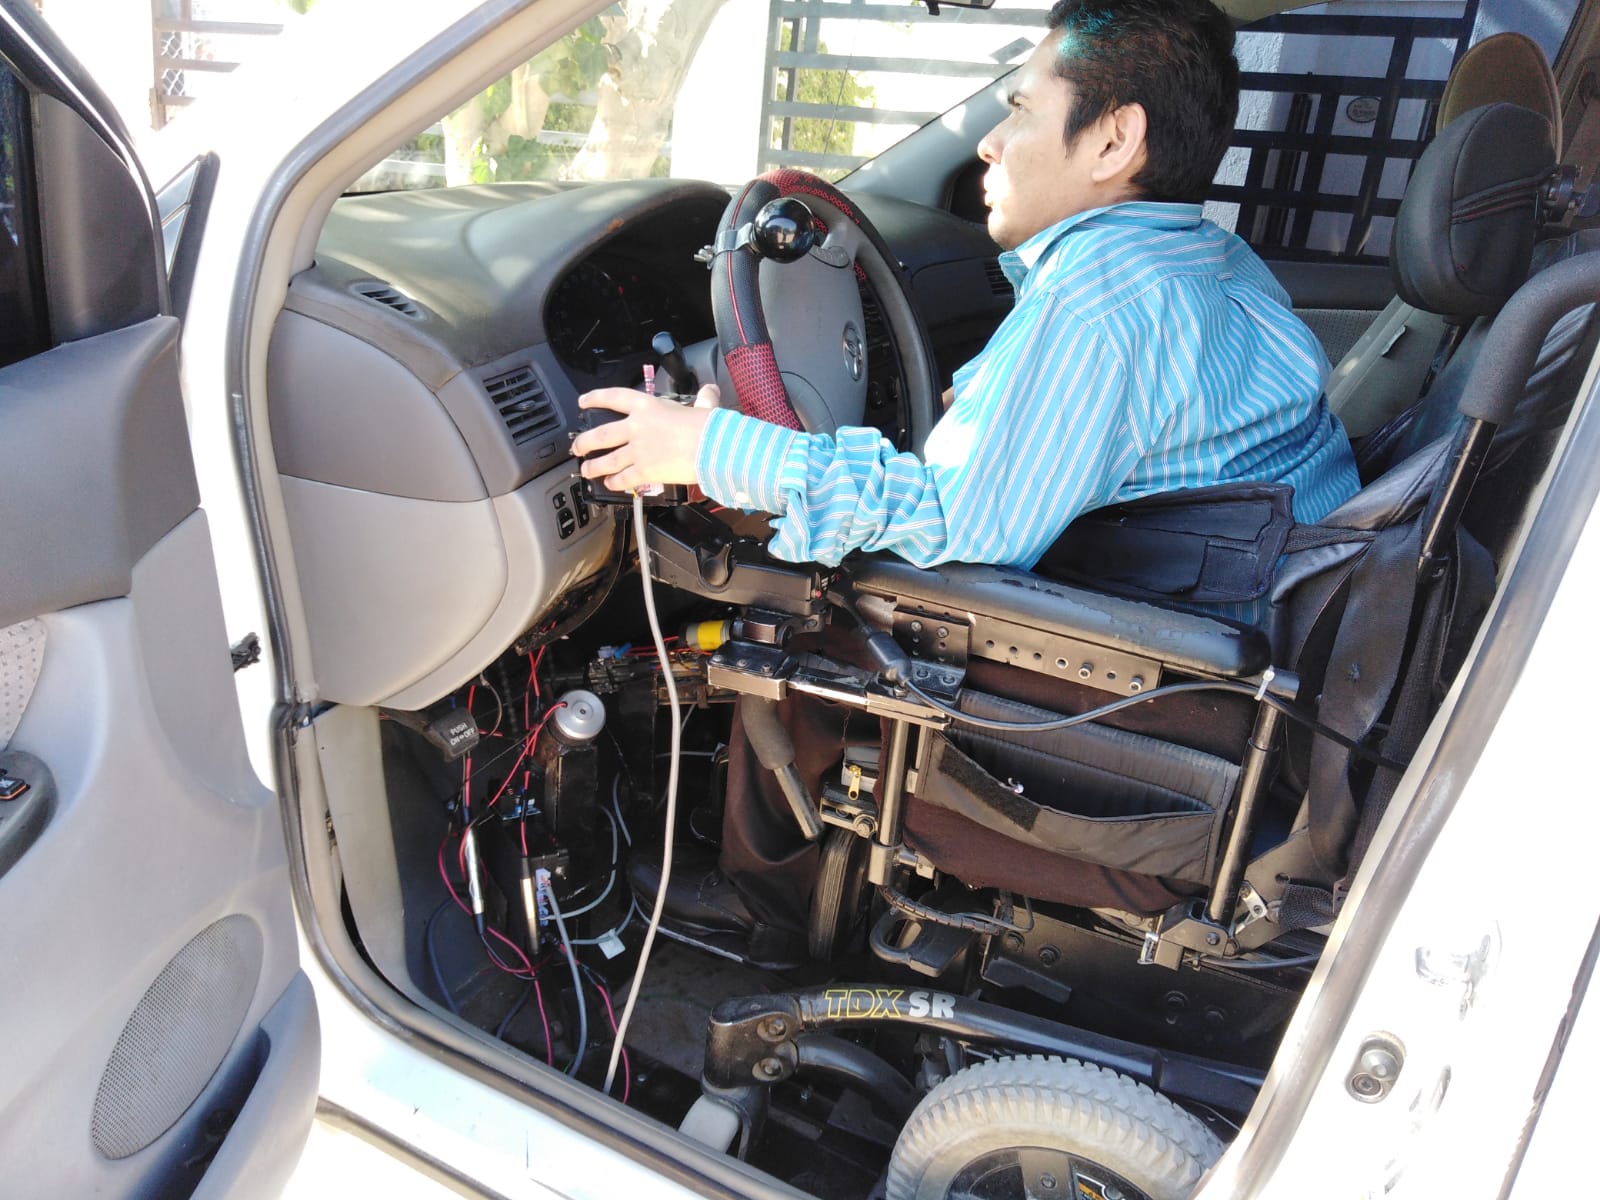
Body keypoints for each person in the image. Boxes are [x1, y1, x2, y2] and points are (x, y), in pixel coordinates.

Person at [570, 0, 1360, 957]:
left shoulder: (1097, 307)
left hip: (1169, 733)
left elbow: (947, 521)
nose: (990, 141)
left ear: (1114, 137)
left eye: (1021, 109)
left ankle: (771, 915)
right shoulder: (1214, 259)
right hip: (1256, 692)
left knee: (809, 607)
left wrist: (707, 453)